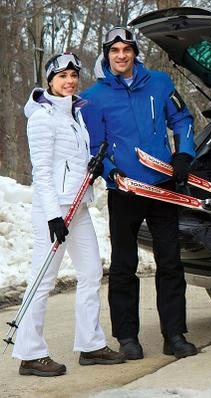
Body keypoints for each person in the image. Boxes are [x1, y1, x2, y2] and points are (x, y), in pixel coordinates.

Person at [80, 27, 198, 360]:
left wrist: (184, 153)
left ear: (135, 53)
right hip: (125, 191)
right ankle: (128, 337)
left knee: (171, 262)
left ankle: (174, 335)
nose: (121, 56)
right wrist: (109, 172)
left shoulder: (159, 83)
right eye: (114, 50)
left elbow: (183, 119)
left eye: (126, 50)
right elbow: (93, 146)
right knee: (123, 266)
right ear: (107, 55)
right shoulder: (95, 97)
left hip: (162, 188)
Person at [15, 52, 126, 377]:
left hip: (77, 207)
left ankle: (90, 345)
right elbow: (43, 173)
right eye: (62, 76)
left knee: (91, 271)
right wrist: (52, 217)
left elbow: (71, 162)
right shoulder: (42, 117)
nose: (69, 81)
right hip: (54, 210)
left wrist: (88, 172)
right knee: (43, 279)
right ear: (49, 80)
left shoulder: (74, 114)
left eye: (73, 75)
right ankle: (30, 353)